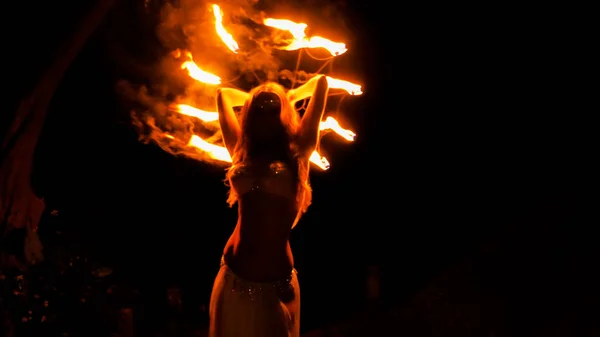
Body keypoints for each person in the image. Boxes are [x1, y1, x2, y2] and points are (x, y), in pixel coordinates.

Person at [209, 74, 329, 337]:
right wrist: (257, 97)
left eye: (272, 108)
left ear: (283, 112)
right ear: (250, 113)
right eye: (259, 109)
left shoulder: (298, 151)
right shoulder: (241, 151)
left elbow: (320, 82)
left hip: (274, 282)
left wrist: (286, 97)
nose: (265, 114)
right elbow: (222, 95)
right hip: (232, 275)